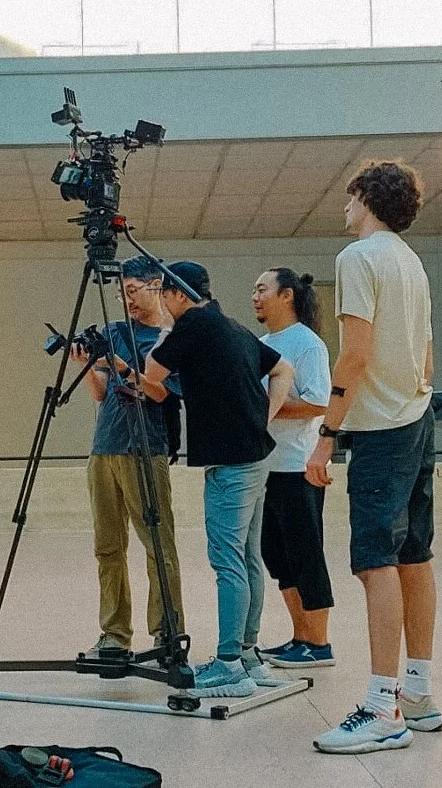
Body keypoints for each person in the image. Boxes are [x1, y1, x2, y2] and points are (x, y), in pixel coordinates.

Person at [306, 161, 442, 754]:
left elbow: (354, 355)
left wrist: (327, 434)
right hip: (419, 417)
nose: (344, 207)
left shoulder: (357, 259)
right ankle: (416, 693)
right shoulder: (410, 263)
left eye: (349, 196)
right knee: (414, 555)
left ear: (365, 197)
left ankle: (381, 706)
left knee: (375, 563)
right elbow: (428, 361)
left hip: (383, 430)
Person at [141, 261, 292, 698]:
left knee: (228, 561)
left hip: (231, 463)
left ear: (177, 295)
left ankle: (228, 665)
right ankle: (247, 655)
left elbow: (152, 373)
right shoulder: (234, 328)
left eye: (162, 295)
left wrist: (169, 328)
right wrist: (263, 417)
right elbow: (284, 371)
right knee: (247, 559)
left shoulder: (192, 325)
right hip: (255, 455)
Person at [67, 255, 185, 659]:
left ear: (155, 286)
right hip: (105, 448)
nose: (127, 300)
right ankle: (114, 633)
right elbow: (101, 393)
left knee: (158, 545)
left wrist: (121, 366)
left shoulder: (169, 337)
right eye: (121, 293)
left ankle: (167, 633)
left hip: (145, 448)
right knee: (108, 546)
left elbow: (159, 392)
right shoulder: (116, 331)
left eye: (132, 291)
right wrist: (87, 366)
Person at [249, 268, 336, 669]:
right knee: (275, 554)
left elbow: (319, 403)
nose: (255, 296)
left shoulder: (308, 345)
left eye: (262, 289)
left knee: (305, 554)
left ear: (286, 296)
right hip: (266, 467)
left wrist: (265, 409)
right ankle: (300, 636)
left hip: (297, 467)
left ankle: (319, 644)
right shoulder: (262, 344)